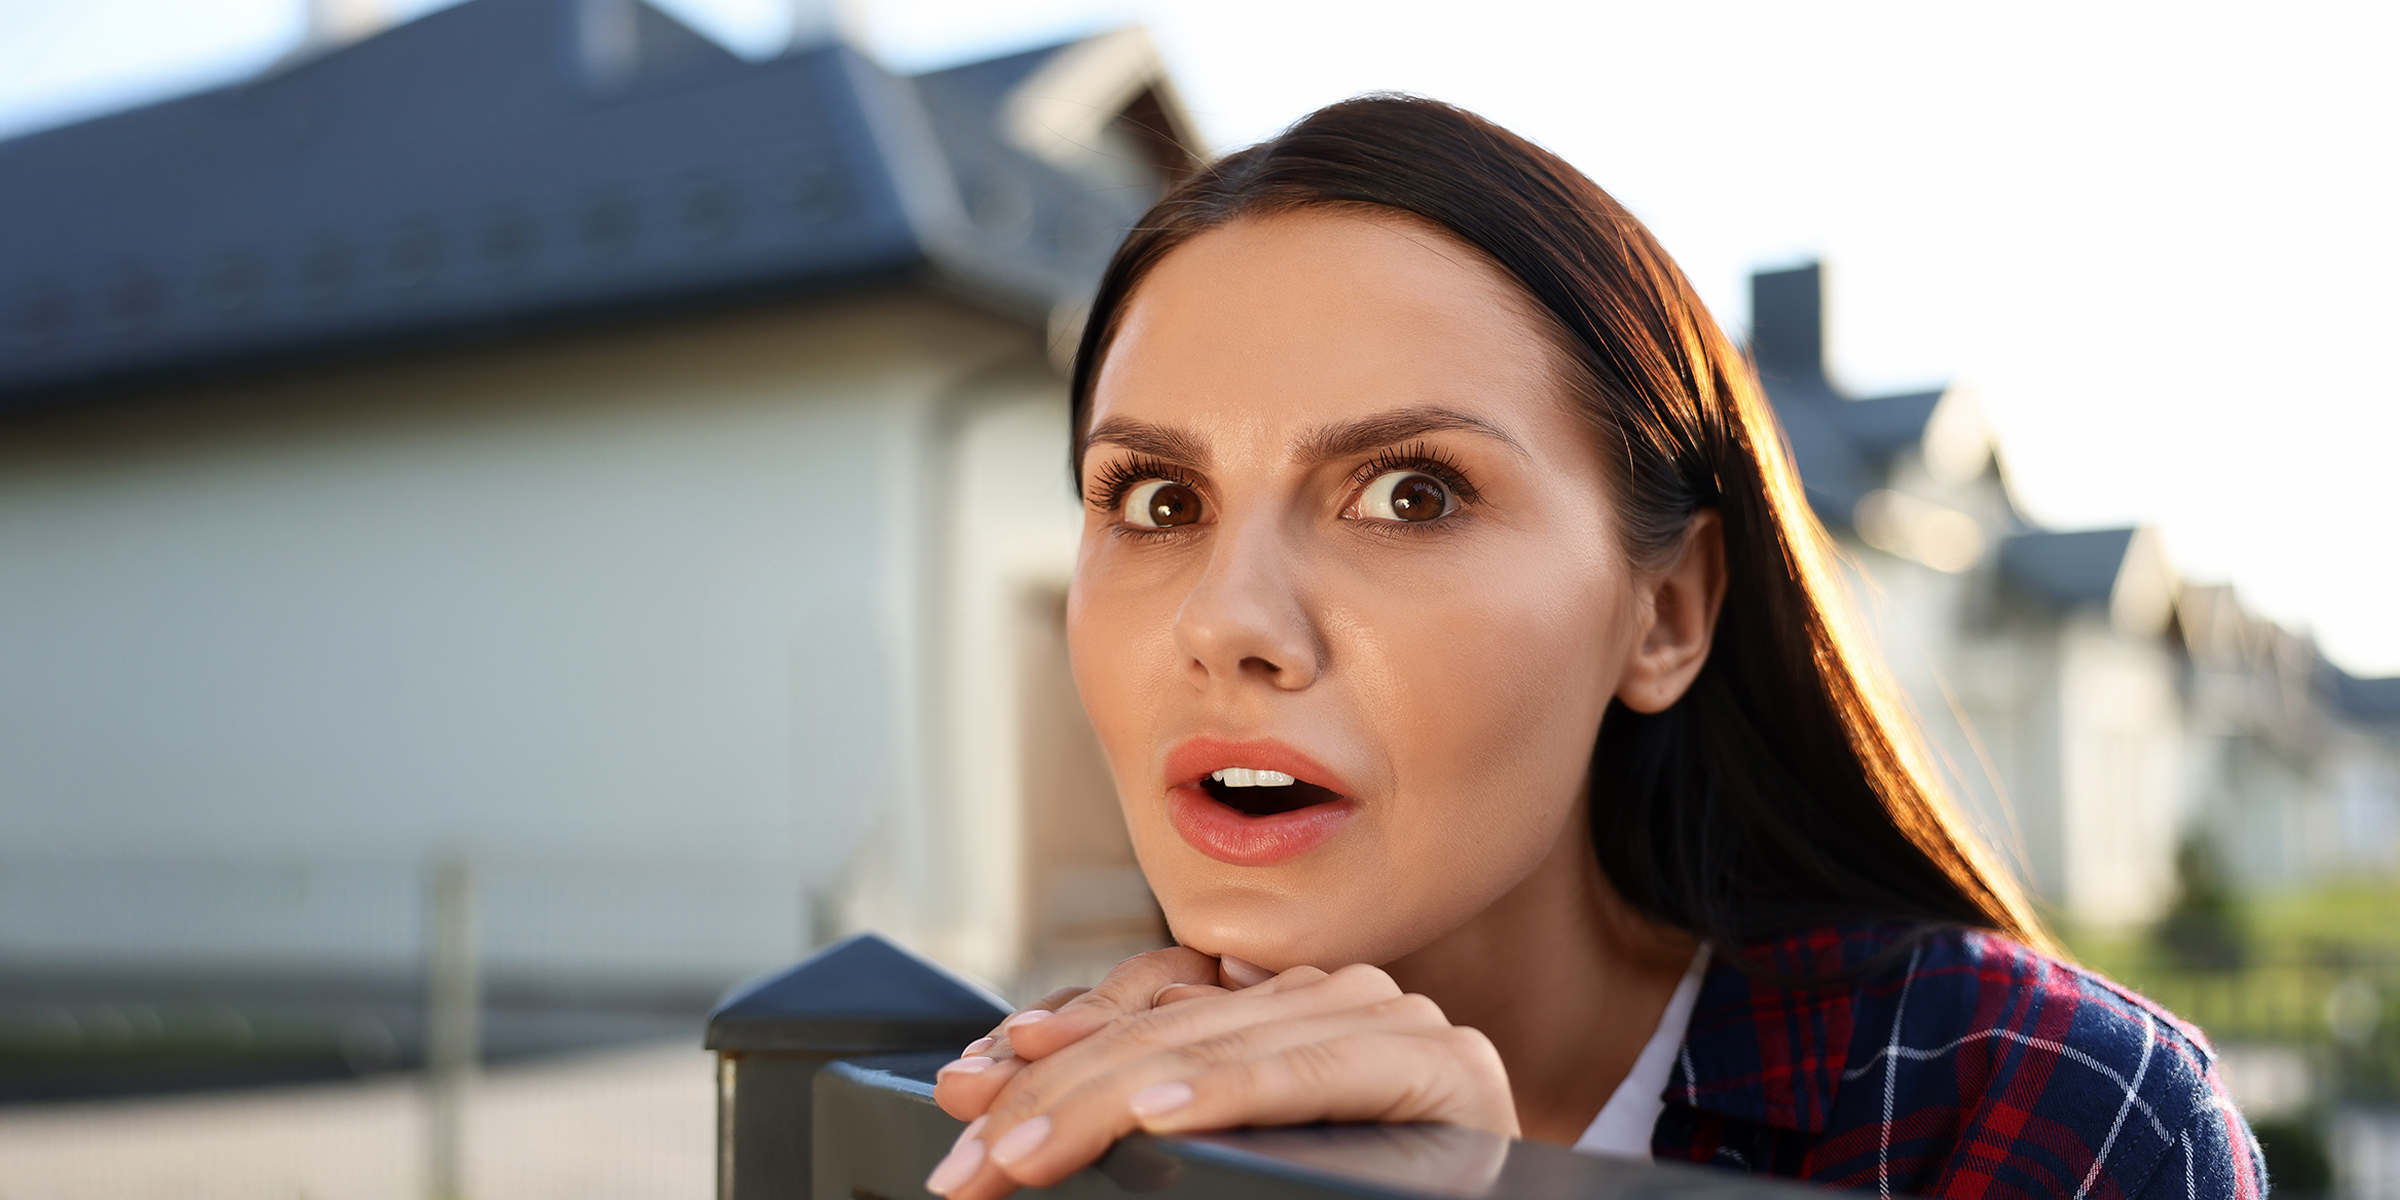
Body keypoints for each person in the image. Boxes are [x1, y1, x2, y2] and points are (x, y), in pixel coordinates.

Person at [923, 95, 2265, 1200]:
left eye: (1412, 493)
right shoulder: (1063, 1117)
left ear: (1666, 612)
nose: (1226, 622)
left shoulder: (2051, 1118)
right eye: (1158, 500)